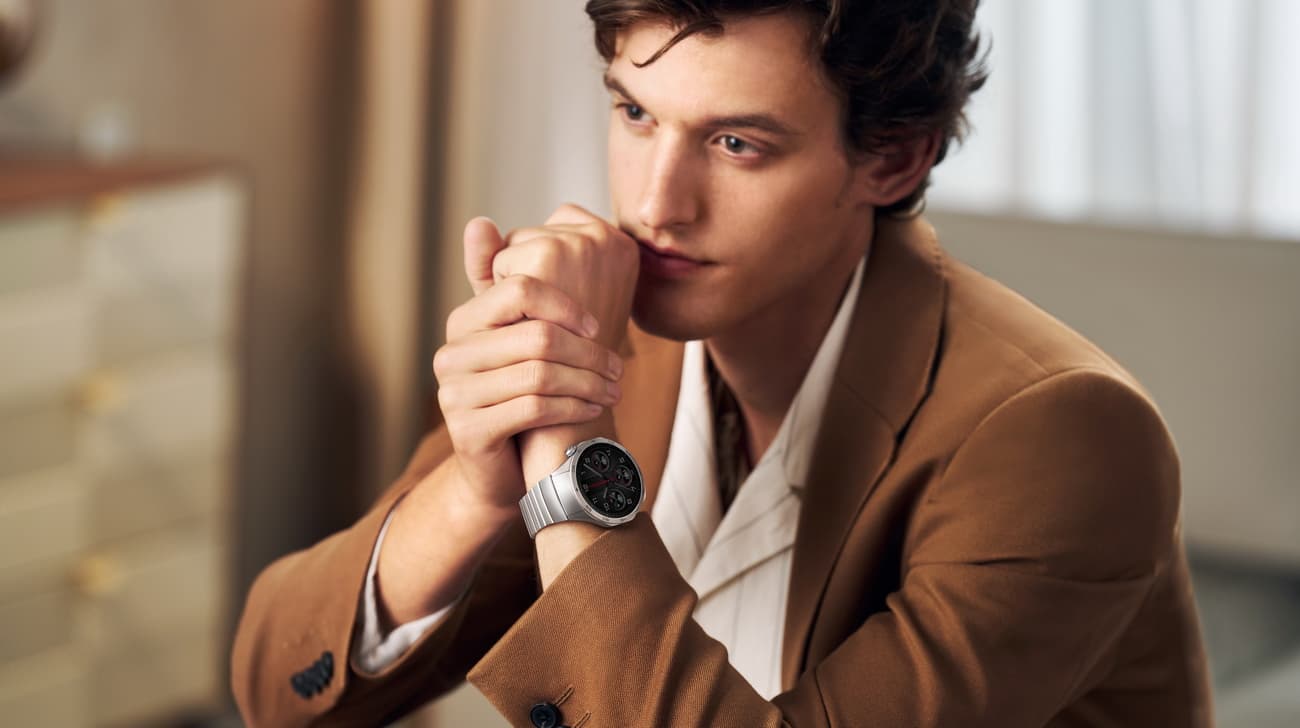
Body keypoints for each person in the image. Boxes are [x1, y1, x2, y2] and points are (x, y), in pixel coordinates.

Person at [231, 1, 1215, 726]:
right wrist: (474, 491)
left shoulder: (1064, 436)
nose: (655, 204)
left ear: (894, 160)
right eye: (635, 114)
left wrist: (573, 455)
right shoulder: (611, 333)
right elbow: (278, 687)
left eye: (736, 143)